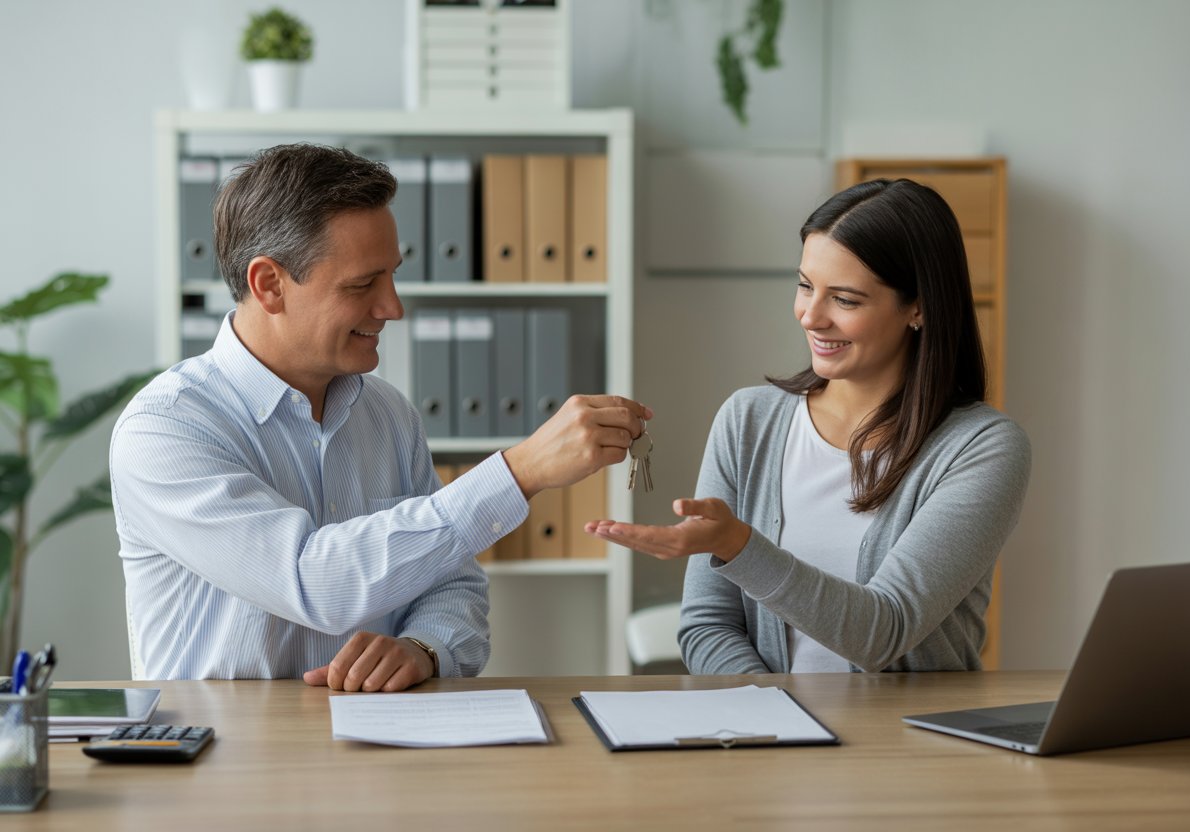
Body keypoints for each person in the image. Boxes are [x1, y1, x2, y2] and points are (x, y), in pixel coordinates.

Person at [112, 143, 650, 691]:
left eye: (391, 275)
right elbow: (312, 582)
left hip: (375, 747)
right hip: (218, 759)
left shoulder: (387, 412)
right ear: (269, 284)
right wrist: (520, 471)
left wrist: (424, 648)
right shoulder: (166, 428)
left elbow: (453, 582)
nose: (393, 307)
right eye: (362, 284)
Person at [587, 179, 1031, 674]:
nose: (810, 316)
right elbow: (707, 626)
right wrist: (780, 721)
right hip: (776, 739)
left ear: (919, 306)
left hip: (912, 747)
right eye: (804, 286)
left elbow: (885, 632)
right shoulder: (748, 421)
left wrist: (738, 545)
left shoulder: (981, 448)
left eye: (844, 299)